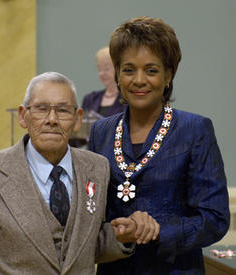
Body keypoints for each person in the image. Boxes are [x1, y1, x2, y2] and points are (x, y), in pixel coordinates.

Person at [0, 72, 160, 274]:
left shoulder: (98, 168)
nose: (52, 119)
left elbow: (83, 246)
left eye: (63, 110)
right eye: (41, 109)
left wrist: (122, 236)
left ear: (77, 119)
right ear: (23, 116)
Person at [88, 16, 230, 274]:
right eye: (129, 69)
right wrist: (116, 229)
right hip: (115, 269)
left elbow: (215, 219)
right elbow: (91, 209)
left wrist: (158, 231)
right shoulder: (101, 131)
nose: (139, 80)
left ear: (168, 75)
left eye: (151, 70)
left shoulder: (194, 130)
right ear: (118, 74)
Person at [82, 46, 126, 118]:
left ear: (118, 68)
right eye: (99, 69)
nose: (102, 73)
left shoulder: (127, 99)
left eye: (107, 68)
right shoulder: (90, 99)